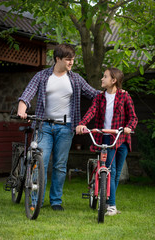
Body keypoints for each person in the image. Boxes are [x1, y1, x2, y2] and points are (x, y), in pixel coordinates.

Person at [17, 43, 99, 211]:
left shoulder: (75, 79)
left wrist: (115, 93)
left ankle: (56, 201)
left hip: (66, 127)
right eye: (68, 60)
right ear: (58, 59)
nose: (71, 63)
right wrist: (22, 108)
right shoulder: (42, 76)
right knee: (40, 163)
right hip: (44, 126)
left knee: (60, 166)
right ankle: (35, 200)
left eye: (73, 60)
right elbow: (27, 94)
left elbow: (93, 94)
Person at [76, 67, 138, 216]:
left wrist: (129, 127)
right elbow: (91, 111)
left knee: (116, 174)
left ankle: (107, 199)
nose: (102, 79)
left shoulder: (124, 97)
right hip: (106, 138)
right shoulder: (99, 97)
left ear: (114, 80)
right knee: (110, 170)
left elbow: (133, 117)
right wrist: (82, 123)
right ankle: (111, 205)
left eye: (105, 77)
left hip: (121, 138)